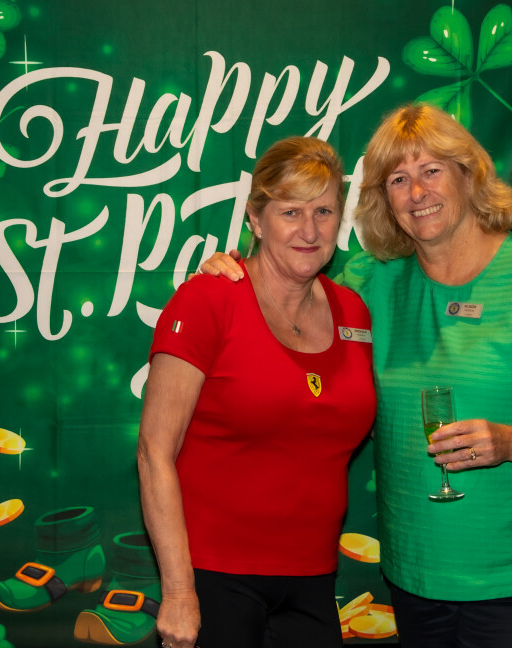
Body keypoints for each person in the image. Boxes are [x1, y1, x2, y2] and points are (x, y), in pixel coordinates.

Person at [200, 104, 512, 648]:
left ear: (469, 174)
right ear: (383, 200)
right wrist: (235, 275)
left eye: (431, 170)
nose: (417, 193)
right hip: (415, 573)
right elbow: (287, 293)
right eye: (397, 179)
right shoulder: (372, 284)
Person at [137, 137, 377, 648]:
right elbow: (154, 451)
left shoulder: (354, 313)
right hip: (213, 579)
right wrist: (178, 591)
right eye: (290, 212)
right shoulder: (208, 299)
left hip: (314, 579)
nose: (309, 230)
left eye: (324, 211)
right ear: (255, 218)